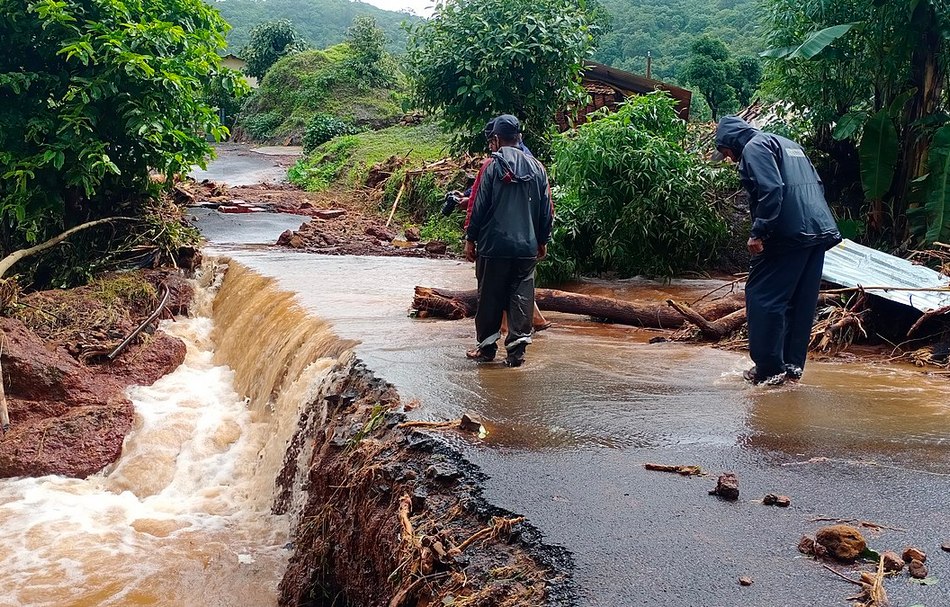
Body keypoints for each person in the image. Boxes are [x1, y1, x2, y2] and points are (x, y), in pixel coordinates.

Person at [715, 115, 842, 385]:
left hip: (788, 233)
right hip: (818, 230)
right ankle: (792, 368)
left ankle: (769, 369)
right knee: (800, 301)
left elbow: (771, 189)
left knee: (763, 296)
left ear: (731, 142)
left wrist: (760, 231)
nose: (728, 159)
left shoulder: (754, 147)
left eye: (725, 153)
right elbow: (818, 185)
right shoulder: (788, 144)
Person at [464, 114, 553, 367]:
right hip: (526, 248)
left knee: (489, 297)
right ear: (519, 138)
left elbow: (478, 206)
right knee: (522, 296)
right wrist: (542, 240)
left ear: (495, 139)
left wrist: (470, 238)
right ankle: (516, 354)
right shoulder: (538, 168)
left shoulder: (490, 167)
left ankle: (487, 349)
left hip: (494, 246)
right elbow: (547, 210)